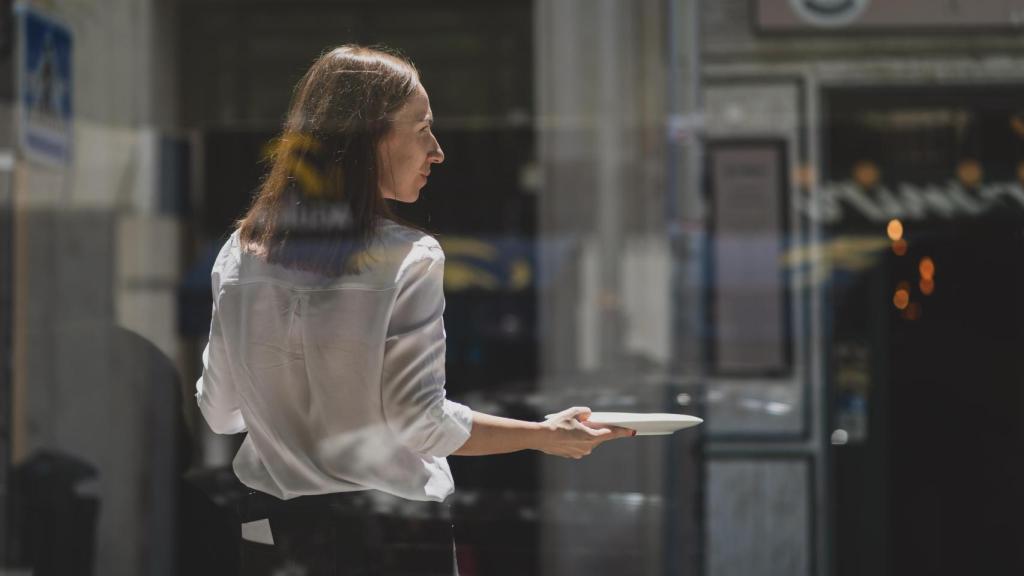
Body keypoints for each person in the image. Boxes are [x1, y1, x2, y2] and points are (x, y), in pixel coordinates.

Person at [195, 44, 634, 575]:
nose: (438, 150)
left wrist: (290, 420)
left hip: (268, 536)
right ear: (373, 138)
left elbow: (219, 414)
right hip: (388, 541)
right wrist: (545, 436)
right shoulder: (407, 257)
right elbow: (420, 424)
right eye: (422, 128)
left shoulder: (241, 252)